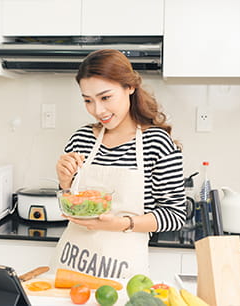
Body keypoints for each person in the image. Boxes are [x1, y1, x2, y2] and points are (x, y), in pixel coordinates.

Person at [52, 49, 186, 279]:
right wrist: (65, 182)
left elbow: (174, 215)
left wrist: (120, 224)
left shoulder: (157, 143)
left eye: (105, 97)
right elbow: (71, 202)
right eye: (88, 100)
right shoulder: (81, 138)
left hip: (122, 272)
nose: (98, 110)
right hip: (71, 264)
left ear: (129, 87)